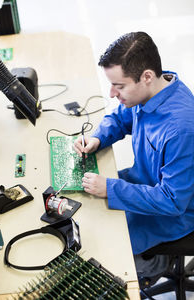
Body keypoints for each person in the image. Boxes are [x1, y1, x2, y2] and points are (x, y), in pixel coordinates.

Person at [73, 32, 194, 281]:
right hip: (143, 186)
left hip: (173, 213)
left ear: (146, 76)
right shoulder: (150, 92)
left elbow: (172, 202)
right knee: (84, 212)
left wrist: (111, 189)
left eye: (119, 86)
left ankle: (152, 264)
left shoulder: (181, 129)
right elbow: (119, 118)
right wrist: (98, 138)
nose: (112, 93)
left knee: (99, 249)